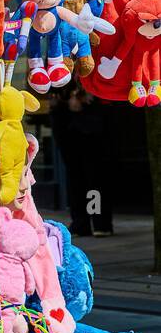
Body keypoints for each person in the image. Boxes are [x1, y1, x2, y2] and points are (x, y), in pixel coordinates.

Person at [50, 80, 114, 236]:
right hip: (66, 122)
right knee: (74, 177)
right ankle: (80, 222)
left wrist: (85, 95)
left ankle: (99, 222)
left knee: (95, 177)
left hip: (92, 121)